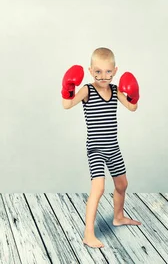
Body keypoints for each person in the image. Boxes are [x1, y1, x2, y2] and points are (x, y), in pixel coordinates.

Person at [61, 47, 142, 248]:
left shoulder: (115, 90)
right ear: (90, 71)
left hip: (113, 148)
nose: (103, 76)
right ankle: (88, 234)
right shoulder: (88, 90)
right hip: (96, 148)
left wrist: (133, 95)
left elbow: (132, 108)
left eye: (107, 72)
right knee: (98, 188)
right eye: (98, 72)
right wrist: (68, 88)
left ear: (115, 71)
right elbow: (67, 104)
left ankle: (118, 216)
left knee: (122, 185)